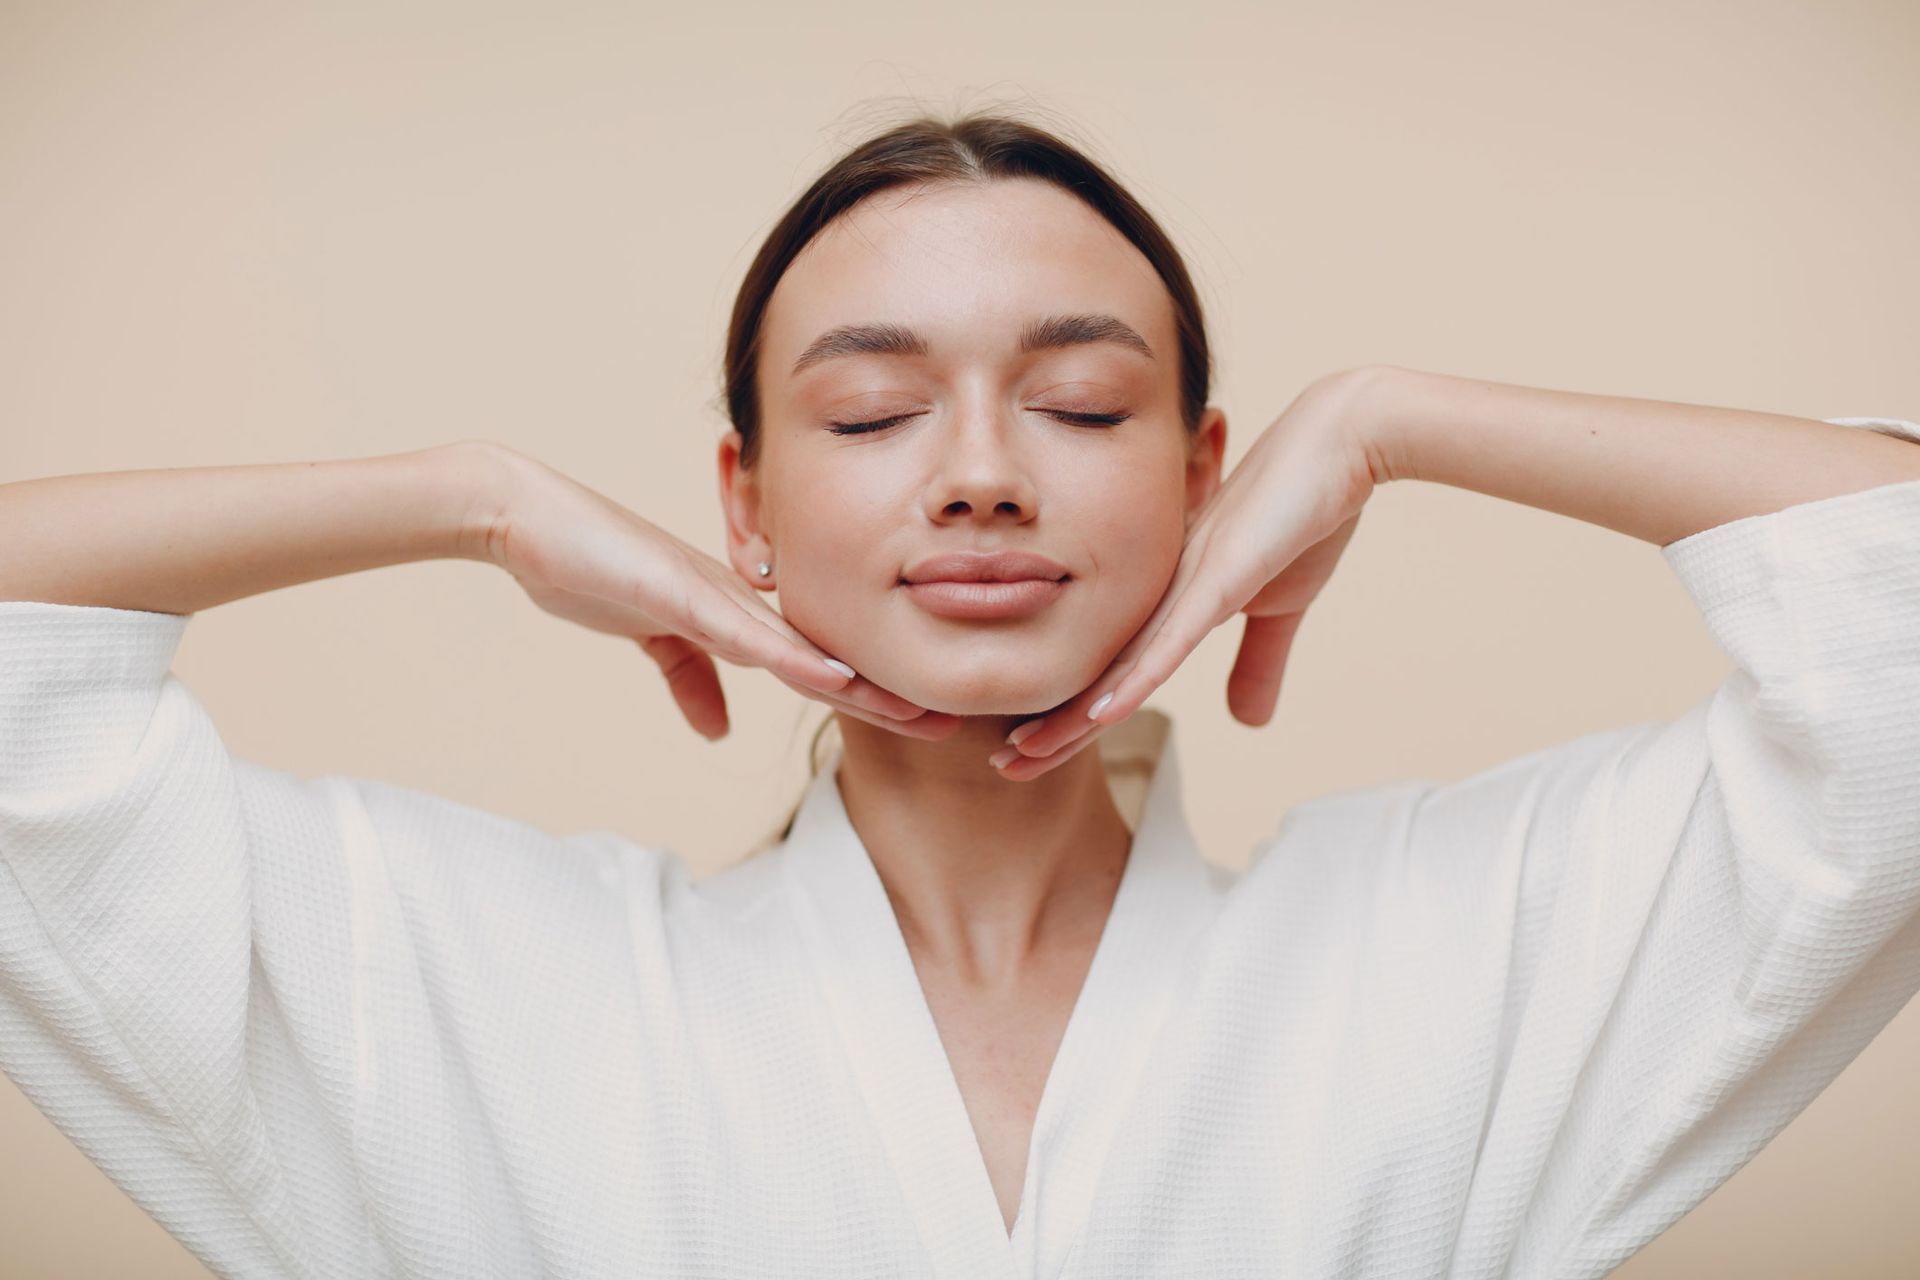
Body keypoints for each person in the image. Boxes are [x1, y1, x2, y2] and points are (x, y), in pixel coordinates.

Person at [1, 109, 1917, 1280]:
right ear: (742, 497)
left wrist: (1399, 422)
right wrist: (468, 500)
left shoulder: (1453, 944)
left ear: (1205, 473)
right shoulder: (463, 978)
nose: (984, 471)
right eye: (870, 409)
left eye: (1085, 405)